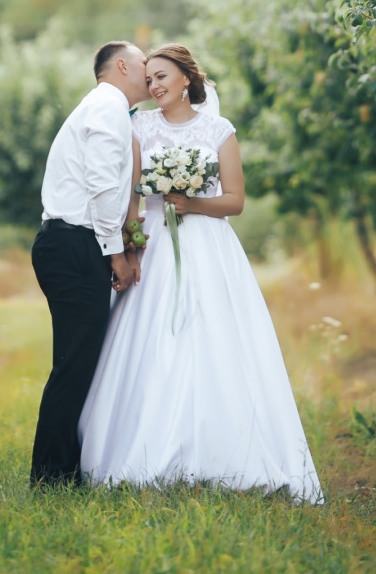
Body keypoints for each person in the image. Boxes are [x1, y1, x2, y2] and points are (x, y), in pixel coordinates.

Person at [79, 44, 323, 503]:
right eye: (148, 79)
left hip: (208, 247)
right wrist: (130, 249)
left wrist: (193, 204)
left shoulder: (218, 130)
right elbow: (132, 197)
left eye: (161, 77)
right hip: (154, 245)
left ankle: (222, 452)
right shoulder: (139, 127)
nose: (153, 86)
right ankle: (143, 449)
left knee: (212, 339)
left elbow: (235, 200)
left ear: (187, 79)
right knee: (150, 341)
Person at [30, 40, 149, 487]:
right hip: (75, 246)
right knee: (74, 364)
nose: (149, 67)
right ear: (122, 65)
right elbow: (101, 186)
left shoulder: (108, 108)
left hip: (72, 244)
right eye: (144, 62)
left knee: (77, 361)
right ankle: (51, 477)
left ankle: (59, 469)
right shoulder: (106, 107)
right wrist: (116, 253)